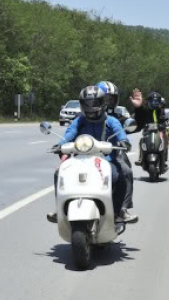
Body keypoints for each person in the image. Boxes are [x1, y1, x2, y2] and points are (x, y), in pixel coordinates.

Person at [46, 86, 138, 224]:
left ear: (102, 103)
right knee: (59, 173)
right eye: (87, 103)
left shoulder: (111, 120)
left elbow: (120, 132)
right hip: (80, 159)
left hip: (107, 160)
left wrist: (124, 141)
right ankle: (60, 209)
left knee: (122, 174)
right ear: (81, 104)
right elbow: (70, 133)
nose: (90, 107)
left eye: (94, 103)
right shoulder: (79, 120)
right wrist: (61, 144)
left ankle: (121, 211)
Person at [96, 81, 136, 218]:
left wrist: (140, 108)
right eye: (105, 98)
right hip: (87, 154)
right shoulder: (85, 116)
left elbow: (137, 125)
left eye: (111, 99)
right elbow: (72, 131)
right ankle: (62, 207)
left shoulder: (118, 118)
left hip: (112, 155)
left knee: (126, 171)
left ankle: (123, 208)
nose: (108, 102)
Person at [130, 89, 169, 172]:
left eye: (156, 102)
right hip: (147, 132)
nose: (154, 104)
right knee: (141, 141)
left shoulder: (162, 111)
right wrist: (138, 107)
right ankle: (141, 158)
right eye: (152, 101)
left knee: (165, 140)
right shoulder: (145, 111)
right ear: (148, 102)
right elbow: (139, 116)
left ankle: (164, 158)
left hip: (160, 132)